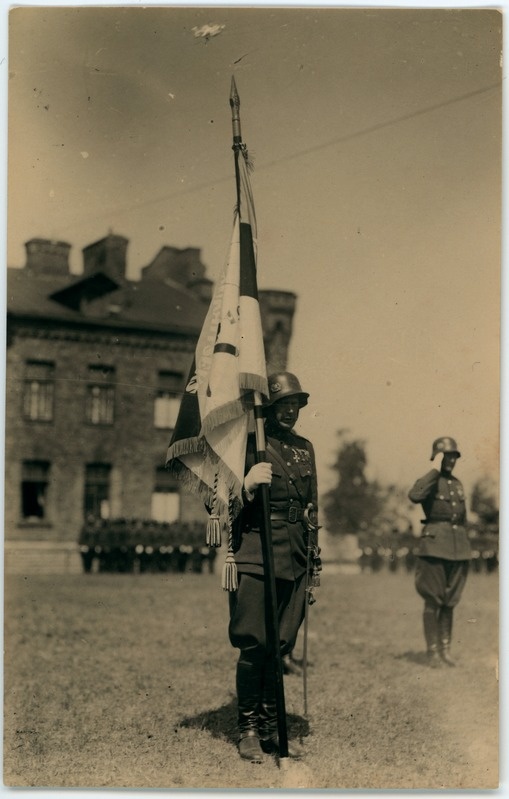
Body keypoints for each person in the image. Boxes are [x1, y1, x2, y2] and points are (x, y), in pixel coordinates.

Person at [228, 372, 320, 762]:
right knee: (255, 642)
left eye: (296, 404)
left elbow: (312, 509)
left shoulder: (304, 448)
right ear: (269, 407)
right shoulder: (248, 445)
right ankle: (249, 730)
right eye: (284, 404)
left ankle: (271, 728)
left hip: (295, 553)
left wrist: (313, 558)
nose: (291, 411)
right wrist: (245, 485)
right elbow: (217, 503)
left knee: (280, 644)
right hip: (256, 552)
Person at [408, 437, 471, 667]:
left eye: (454, 456)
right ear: (437, 457)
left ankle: (445, 650)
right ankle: (432, 652)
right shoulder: (430, 481)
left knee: (449, 601)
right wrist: (434, 468)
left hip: (457, 549)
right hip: (434, 548)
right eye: (446, 456)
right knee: (433, 600)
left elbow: (463, 519)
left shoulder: (457, 483)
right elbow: (415, 495)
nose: (451, 460)